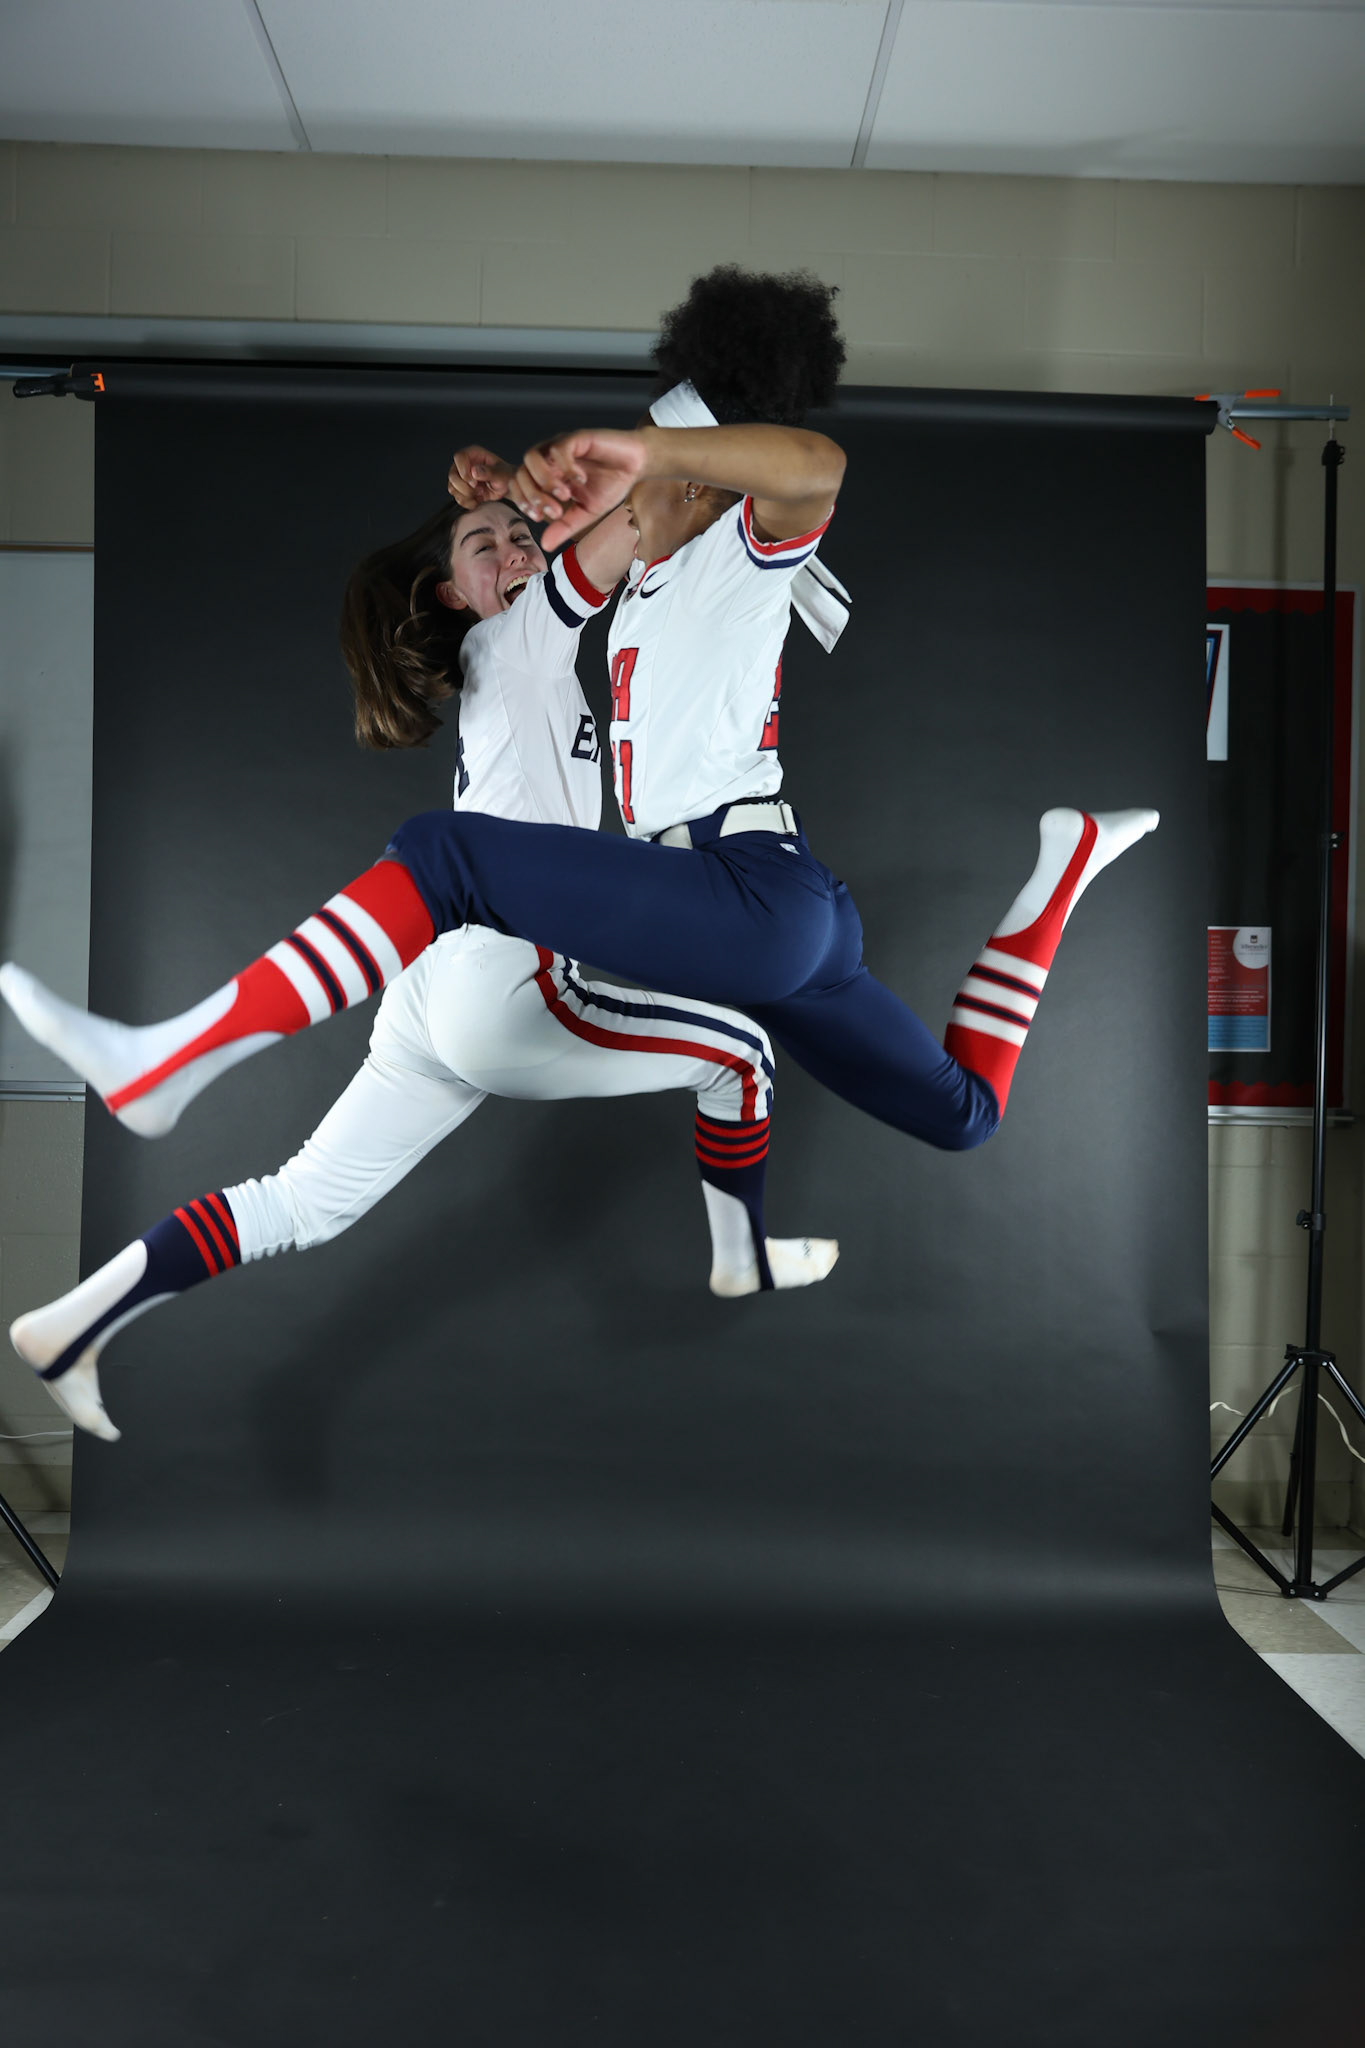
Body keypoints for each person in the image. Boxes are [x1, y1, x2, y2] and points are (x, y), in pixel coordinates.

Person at [1, 267, 1157, 1344]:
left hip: (745, 893)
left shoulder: (741, 551)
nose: (623, 502)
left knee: (449, 857)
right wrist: (544, 487)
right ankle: (1063, 868)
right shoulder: (642, 579)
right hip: (780, 910)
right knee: (963, 1115)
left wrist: (634, 454)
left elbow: (807, 470)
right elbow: (572, 557)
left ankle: (176, 1059)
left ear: (703, 475)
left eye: (659, 471)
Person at [8, 486, 836, 1441]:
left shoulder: (533, 661)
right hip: (499, 984)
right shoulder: (514, 640)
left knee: (302, 1199)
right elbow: (633, 528)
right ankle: (739, 1252)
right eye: (487, 546)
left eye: (523, 536)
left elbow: (626, 553)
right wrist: (708, 471)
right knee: (742, 1056)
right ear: (453, 593)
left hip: (428, 990)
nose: (516, 550)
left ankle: (69, 1327)